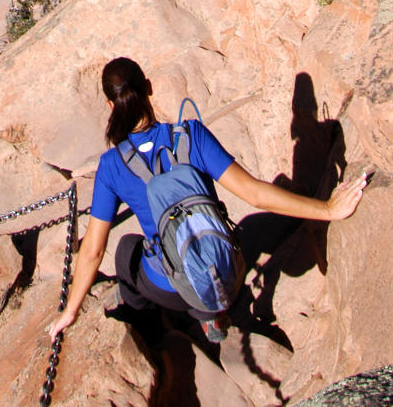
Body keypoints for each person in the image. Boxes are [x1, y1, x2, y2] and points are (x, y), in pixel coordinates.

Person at [48, 57, 368, 344]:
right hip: (226, 270)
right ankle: (211, 313)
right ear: (148, 87)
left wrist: (70, 311)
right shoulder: (191, 136)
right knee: (233, 231)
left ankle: (150, 332)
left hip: (171, 290)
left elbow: (92, 251)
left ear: (110, 105)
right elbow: (255, 194)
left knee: (125, 251)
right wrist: (326, 209)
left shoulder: (112, 166)